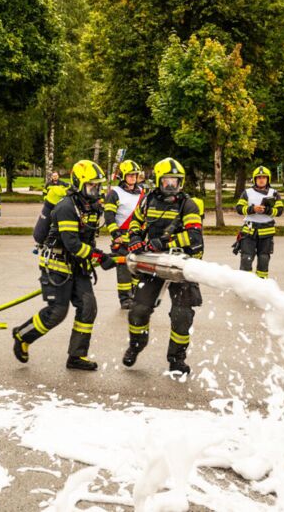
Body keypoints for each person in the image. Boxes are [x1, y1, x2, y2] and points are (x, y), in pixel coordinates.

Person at [11, 160, 115, 371]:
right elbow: (72, 244)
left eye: (98, 186)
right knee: (57, 312)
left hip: (78, 266)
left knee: (88, 307)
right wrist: (100, 257)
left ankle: (76, 356)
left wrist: (107, 250)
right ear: (79, 184)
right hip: (57, 265)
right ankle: (23, 335)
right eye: (91, 185)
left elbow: (88, 238)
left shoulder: (91, 207)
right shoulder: (66, 207)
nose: (96, 190)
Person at [123, 157, 204, 375]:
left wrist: (166, 243)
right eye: (167, 180)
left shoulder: (188, 205)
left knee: (182, 316)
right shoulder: (147, 201)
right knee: (138, 310)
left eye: (175, 181)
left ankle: (177, 359)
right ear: (159, 180)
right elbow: (135, 222)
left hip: (181, 266)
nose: (171, 185)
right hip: (154, 263)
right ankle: (136, 345)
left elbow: (195, 237)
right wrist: (134, 237)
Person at [103, 160, 144, 309]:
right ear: (123, 176)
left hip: (138, 238)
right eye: (130, 175)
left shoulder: (142, 192)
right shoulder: (114, 193)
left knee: (138, 269)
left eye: (135, 175)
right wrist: (116, 235)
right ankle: (125, 299)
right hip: (122, 238)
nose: (133, 177)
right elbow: (109, 216)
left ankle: (136, 296)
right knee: (124, 270)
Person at [234, 166, 283, 278]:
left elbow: (280, 211)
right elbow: (239, 208)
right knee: (246, 258)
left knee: (263, 259)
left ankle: (262, 283)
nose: (261, 180)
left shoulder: (274, 193)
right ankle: (245, 283)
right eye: (259, 177)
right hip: (249, 231)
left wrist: (267, 210)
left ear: (268, 179)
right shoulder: (247, 193)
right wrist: (252, 209)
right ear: (255, 179)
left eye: (264, 177)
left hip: (267, 232)